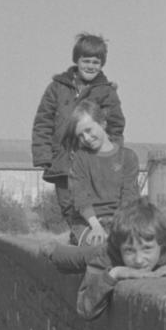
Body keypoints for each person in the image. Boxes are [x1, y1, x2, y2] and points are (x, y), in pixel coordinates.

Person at [49, 198, 166, 320]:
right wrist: (113, 273)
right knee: (75, 257)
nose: (139, 260)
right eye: (130, 251)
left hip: (151, 240)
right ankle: (50, 249)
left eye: (147, 249)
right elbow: (84, 308)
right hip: (97, 250)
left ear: (162, 243)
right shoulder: (110, 253)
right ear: (120, 247)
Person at [31, 33, 125, 230]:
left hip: (92, 162)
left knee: (91, 205)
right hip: (63, 160)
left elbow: (116, 126)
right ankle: (79, 242)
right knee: (68, 206)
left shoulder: (106, 92)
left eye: (96, 62)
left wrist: (111, 157)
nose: (91, 66)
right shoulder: (56, 88)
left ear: (102, 64)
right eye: (86, 61)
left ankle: (96, 243)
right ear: (77, 60)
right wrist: (44, 156)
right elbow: (43, 122)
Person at [64, 101, 140, 244]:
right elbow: (80, 197)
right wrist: (97, 227)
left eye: (88, 130)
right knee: (99, 247)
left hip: (120, 220)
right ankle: (59, 254)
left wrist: (117, 226)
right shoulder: (81, 158)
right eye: (80, 135)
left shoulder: (128, 157)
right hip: (88, 222)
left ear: (103, 124)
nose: (86, 138)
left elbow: (129, 197)